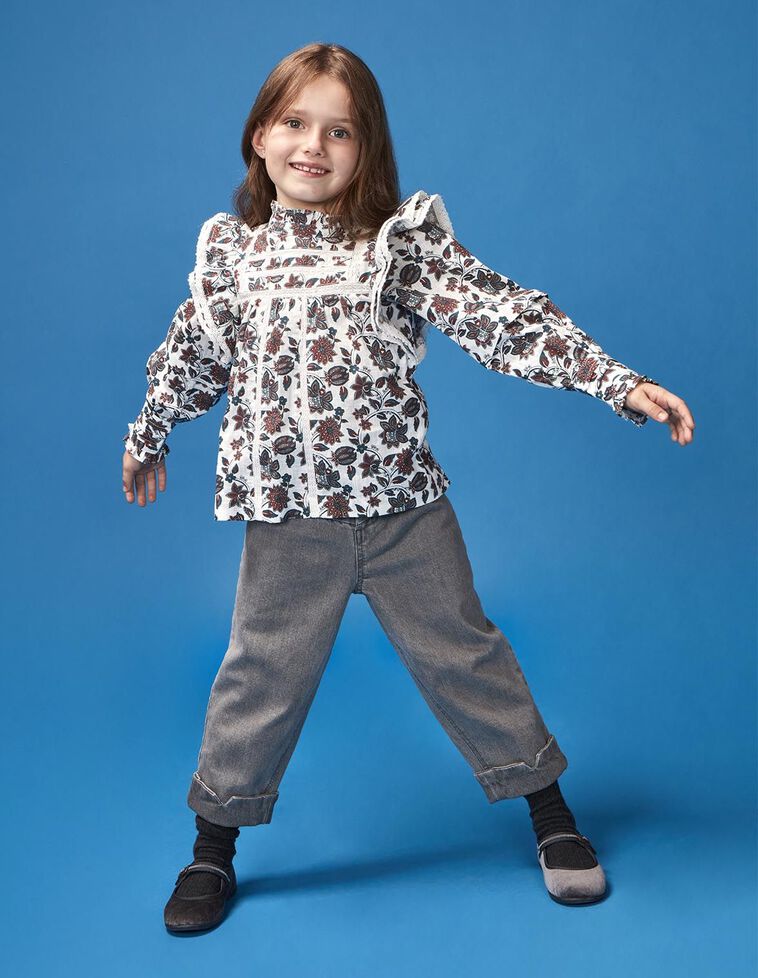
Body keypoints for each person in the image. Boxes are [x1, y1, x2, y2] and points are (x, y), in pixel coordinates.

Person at [122, 43, 695, 933]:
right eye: (295, 123)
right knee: (259, 677)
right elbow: (188, 358)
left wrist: (614, 381)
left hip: (403, 514)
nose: (314, 145)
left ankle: (551, 815)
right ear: (260, 136)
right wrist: (149, 432)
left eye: (340, 131)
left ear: (368, 150)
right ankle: (211, 849)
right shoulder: (232, 260)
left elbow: (501, 315)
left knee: (466, 655)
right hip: (290, 520)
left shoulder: (394, 247)